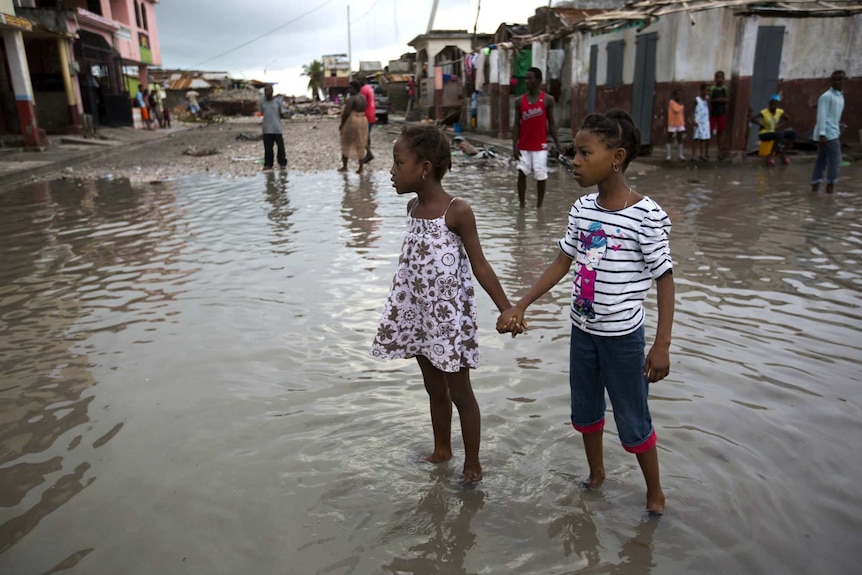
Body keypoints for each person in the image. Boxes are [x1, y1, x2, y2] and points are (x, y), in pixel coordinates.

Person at [497, 110, 674, 515]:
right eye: (574, 152)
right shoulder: (582, 209)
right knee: (586, 410)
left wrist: (661, 345)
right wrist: (521, 303)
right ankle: (596, 473)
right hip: (583, 332)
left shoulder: (645, 216)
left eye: (583, 153)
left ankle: (655, 493)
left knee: (633, 418)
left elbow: (665, 279)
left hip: (624, 339)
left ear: (617, 157)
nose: (573, 161)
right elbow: (563, 261)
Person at [370, 125, 518, 484]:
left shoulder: (457, 211)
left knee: (460, 393)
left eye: (397, 162)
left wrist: (506, 307)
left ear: (423, 168)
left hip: (448, 321)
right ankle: (441, 450)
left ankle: (473, 464)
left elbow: (480, 263)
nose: (390, 171)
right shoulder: (412, 207)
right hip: (419, 314)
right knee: (434, 389)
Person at [512, 67, 562, 209]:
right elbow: (516, 125)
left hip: (540, 146)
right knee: (521, 173)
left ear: (538, 81)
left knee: (541, 175)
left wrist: (558, 143)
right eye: (525, 79)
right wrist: (514, 146)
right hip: (524, 145)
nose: (527, 81)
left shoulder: (547, 100)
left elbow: (551, 123)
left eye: (530, 78)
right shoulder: (519, 101)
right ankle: (522, 206)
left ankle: (539, 207)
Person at [810, 70, 845, 194]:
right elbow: (822, 116)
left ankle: (815, 186)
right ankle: (830, 186)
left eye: (840, 79)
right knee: (836, 160)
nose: (837, 82)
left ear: (844, 81)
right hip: (827, 134)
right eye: (834, 79)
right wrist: (822, 134)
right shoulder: (826, 96)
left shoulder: (840, 96)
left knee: (822, 160)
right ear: (831, 81)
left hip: (833, 131)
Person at [751, 94, 796, 166]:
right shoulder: (764, 112)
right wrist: (761, 124)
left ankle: (783, 153)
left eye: (775, 104)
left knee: (792, 133)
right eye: (771, 104)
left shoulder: (780, 111)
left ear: (777, 105)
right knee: (779, 134)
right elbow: (752, 119)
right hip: (764, 133)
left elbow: (787, 119)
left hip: (774, 132)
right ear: (769, 104)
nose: (773, 106)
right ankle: (770, 155)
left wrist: (779, 126)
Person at [338, 81, 368, 174]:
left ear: (356, 89)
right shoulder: (363, 97)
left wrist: (342, 124)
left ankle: (345, 167)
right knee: (361, 143)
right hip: (363, 119)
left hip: (353, 120)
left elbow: (347, 112)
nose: (349, 90)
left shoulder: (352, 99)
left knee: (345, 142)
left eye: (351, 88)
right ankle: (361, 168)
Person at [259, 85, 286, 170]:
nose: (266, 93)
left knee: (280, 147)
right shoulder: (262, 102)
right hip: (266, 129)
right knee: (268, 148)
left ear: (272, 91)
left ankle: (282, 163)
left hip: (277, 128)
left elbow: (282, 113)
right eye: (265, 91)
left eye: (268, 91)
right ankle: (268, 164)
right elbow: (262, 112)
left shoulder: (278, 101)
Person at [708, 71, 730, 160]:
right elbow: (709, 100)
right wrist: (716, 100)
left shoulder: (725, 88)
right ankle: (706, 151)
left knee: (721, 132)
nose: (719, 79)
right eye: (717, 77)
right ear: (715, 78)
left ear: (723, 78)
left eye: (721, 77)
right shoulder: (712, 88)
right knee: (709, 131)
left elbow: (728, 100)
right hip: (713, 112)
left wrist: (722, 100)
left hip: (722, 112)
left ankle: (720, 151)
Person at [356, 73, 376, 163]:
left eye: (359, 80)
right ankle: (367, 154)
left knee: (362, 136)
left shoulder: (363, 90)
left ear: (363, 80)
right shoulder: (369, 88)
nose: (358, 82)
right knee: (367, 135)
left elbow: (362, 103)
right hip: (372, 114)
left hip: (366, 115)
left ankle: (369, 153)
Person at [690, 83, 711, 161]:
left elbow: (710, 109)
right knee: (696, 138)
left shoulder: (707, 101)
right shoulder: (696, 100)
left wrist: (709, 102)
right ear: (701, 90)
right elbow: (692, 111)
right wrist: (693, 119)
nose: (707, 93)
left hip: (705, 122)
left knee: (703, 139)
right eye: (706, 90)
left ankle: (701, 154)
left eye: (708, 91)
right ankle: (693, 154)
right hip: (698, 121)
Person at [665, 89, 685, 161]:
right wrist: (681, 106)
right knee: (669, 138)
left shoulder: (680, 103)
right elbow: (676, 110)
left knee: (680, 138)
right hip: (672, 123)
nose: (679, 97)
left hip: (679, 123)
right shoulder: (672, 102)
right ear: (674, 96)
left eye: (680, 95)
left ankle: (680, 155)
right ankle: (668, 155)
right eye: (677, 95)